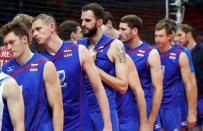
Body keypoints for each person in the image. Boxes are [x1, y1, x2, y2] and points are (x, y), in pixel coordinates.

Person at [32, 13, 112, 131]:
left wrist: (108, 124)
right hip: (52, 124)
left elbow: (98, 88)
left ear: (52, 27)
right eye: (33, 31)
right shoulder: (39, 61)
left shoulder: (78, 50)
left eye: (38, 29)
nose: (34, 34)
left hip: (79, 123)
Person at [0, 21, 64, 130]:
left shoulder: (45, 66)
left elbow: (57, 107)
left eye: (11, 42)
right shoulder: (5, 69)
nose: (8, 47)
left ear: (25, 39)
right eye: (6, 44)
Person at [78, 3, 128, 131]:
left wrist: (92, 67)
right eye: (82, 20)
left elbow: (123, 86)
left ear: (99, 22)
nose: (83, 24)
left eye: (88, 20)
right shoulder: (78, 46)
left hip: (104, 111)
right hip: (81, 110)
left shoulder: (115, 45)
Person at [119, 14, 163, 131]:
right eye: (119, 29)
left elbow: (158, 89)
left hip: (145, 105)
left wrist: (151, 120)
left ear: (134, 31)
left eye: (123, 29)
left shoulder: (151, 53)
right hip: (124, 107)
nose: (120, 32)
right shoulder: (118, 49)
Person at [155, 21, 197, 131]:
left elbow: (189, 84)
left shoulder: (181, 55)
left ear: (170, 36)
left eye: (161, 36)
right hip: (156, 104)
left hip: (174, 106)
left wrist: (192, 112)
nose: (157, 39)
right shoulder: (152, 53)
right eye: (156, 36)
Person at [176, 24, 203, 131]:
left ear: (189, 34)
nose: (177, 39)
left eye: (180, 35)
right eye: (176, 36)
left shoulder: (201, 50)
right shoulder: (180, 54)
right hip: (187, 100)